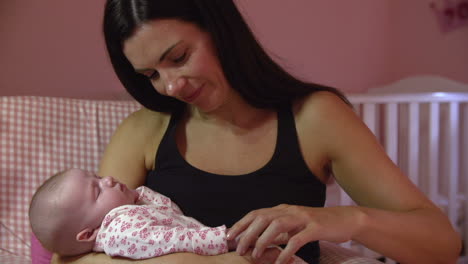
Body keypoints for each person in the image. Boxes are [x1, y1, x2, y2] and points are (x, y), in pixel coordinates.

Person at [53, 0, 461, 263]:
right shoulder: (144, 130)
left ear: (220, 29)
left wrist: (343, 220)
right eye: (151, 75)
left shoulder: (315, 118)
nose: (171, 86)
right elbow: (70, 255)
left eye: (178, 57)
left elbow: (442, 245)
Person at [31, 168, 306, 262]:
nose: (110, 179)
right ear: (89, 234)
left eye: (99, 177)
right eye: (97, 190)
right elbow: (178, 240)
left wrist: (137, 194)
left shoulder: (129, 210)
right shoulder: (121, 231)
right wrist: (230, 238)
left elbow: (168, 211)